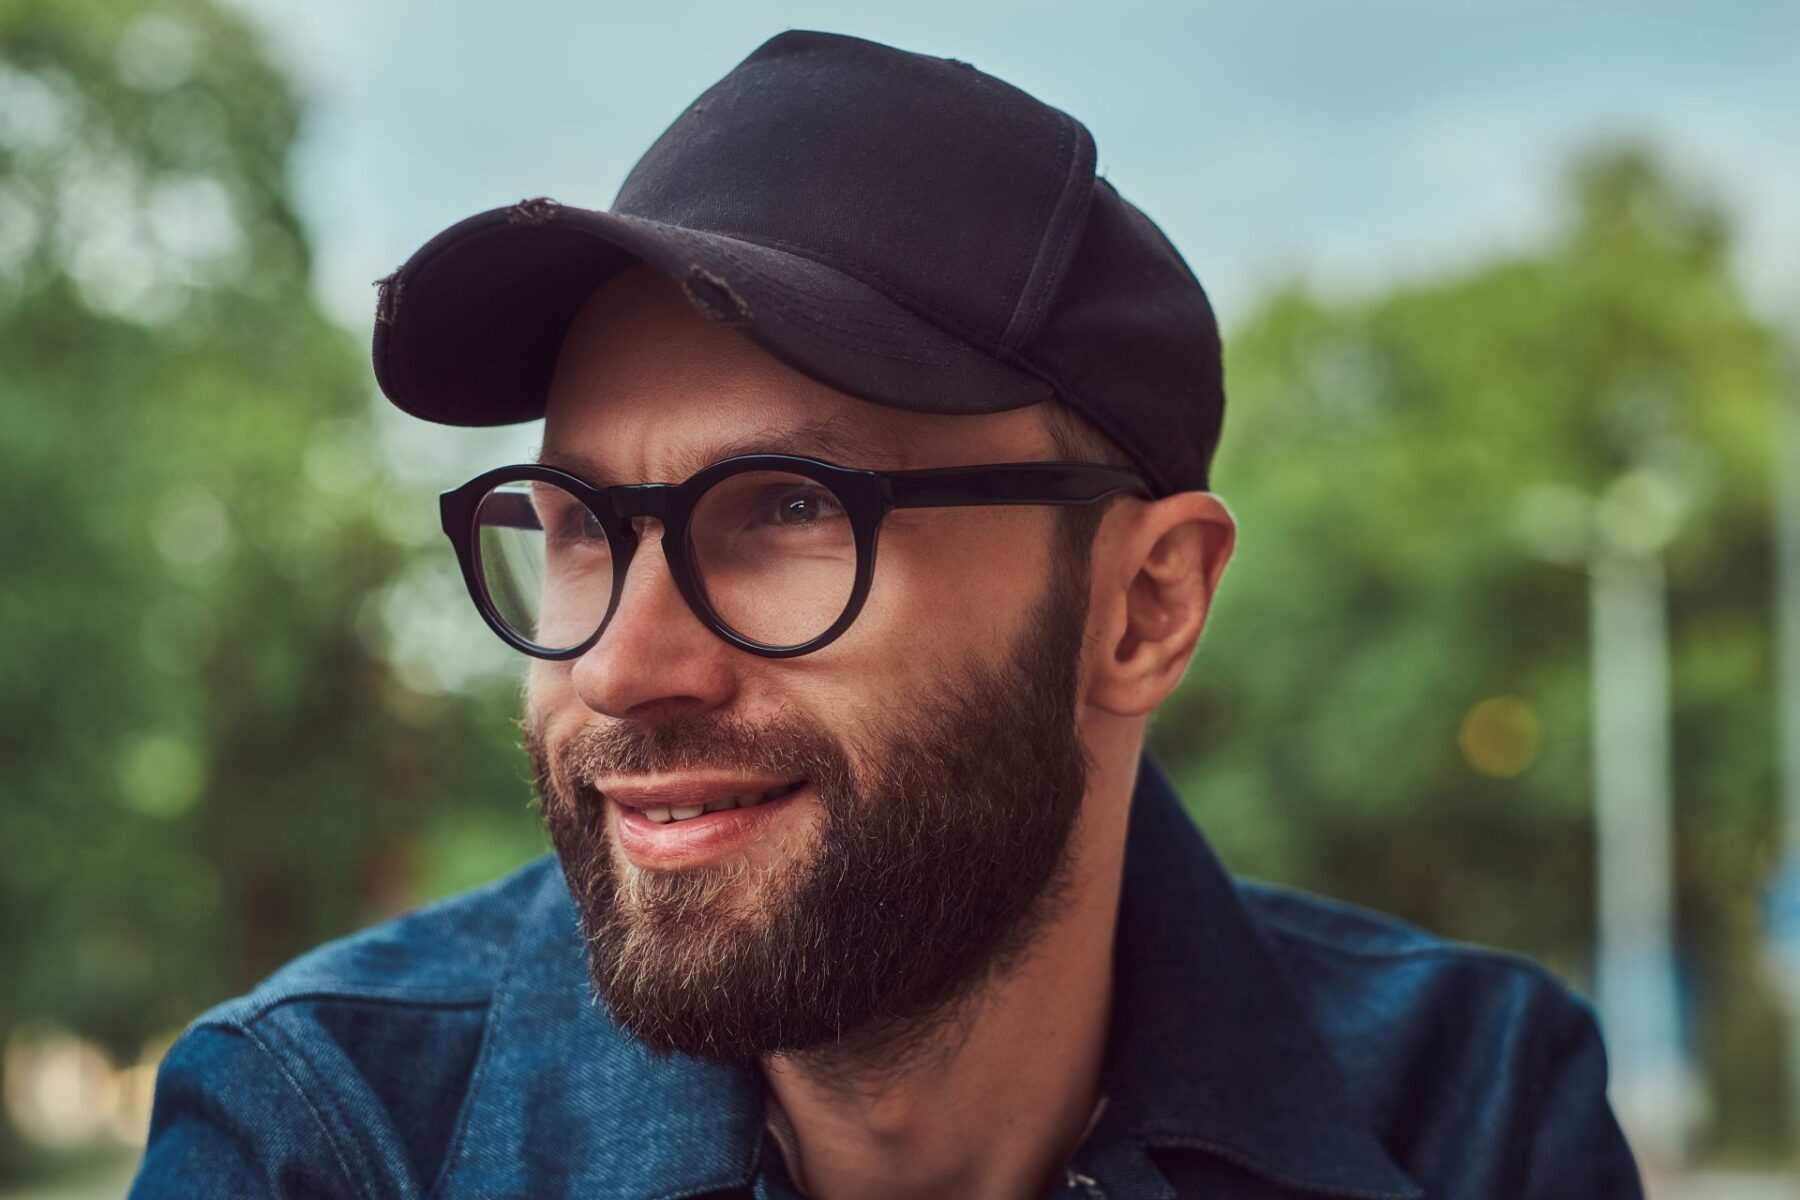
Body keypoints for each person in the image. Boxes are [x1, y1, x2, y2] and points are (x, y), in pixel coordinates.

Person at [131, 30, 1643, 1200]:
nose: (622, 664)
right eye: (585, 529)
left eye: (790, 509)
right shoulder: (323, 1136)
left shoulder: (1471, 1113)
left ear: (1144, 608)